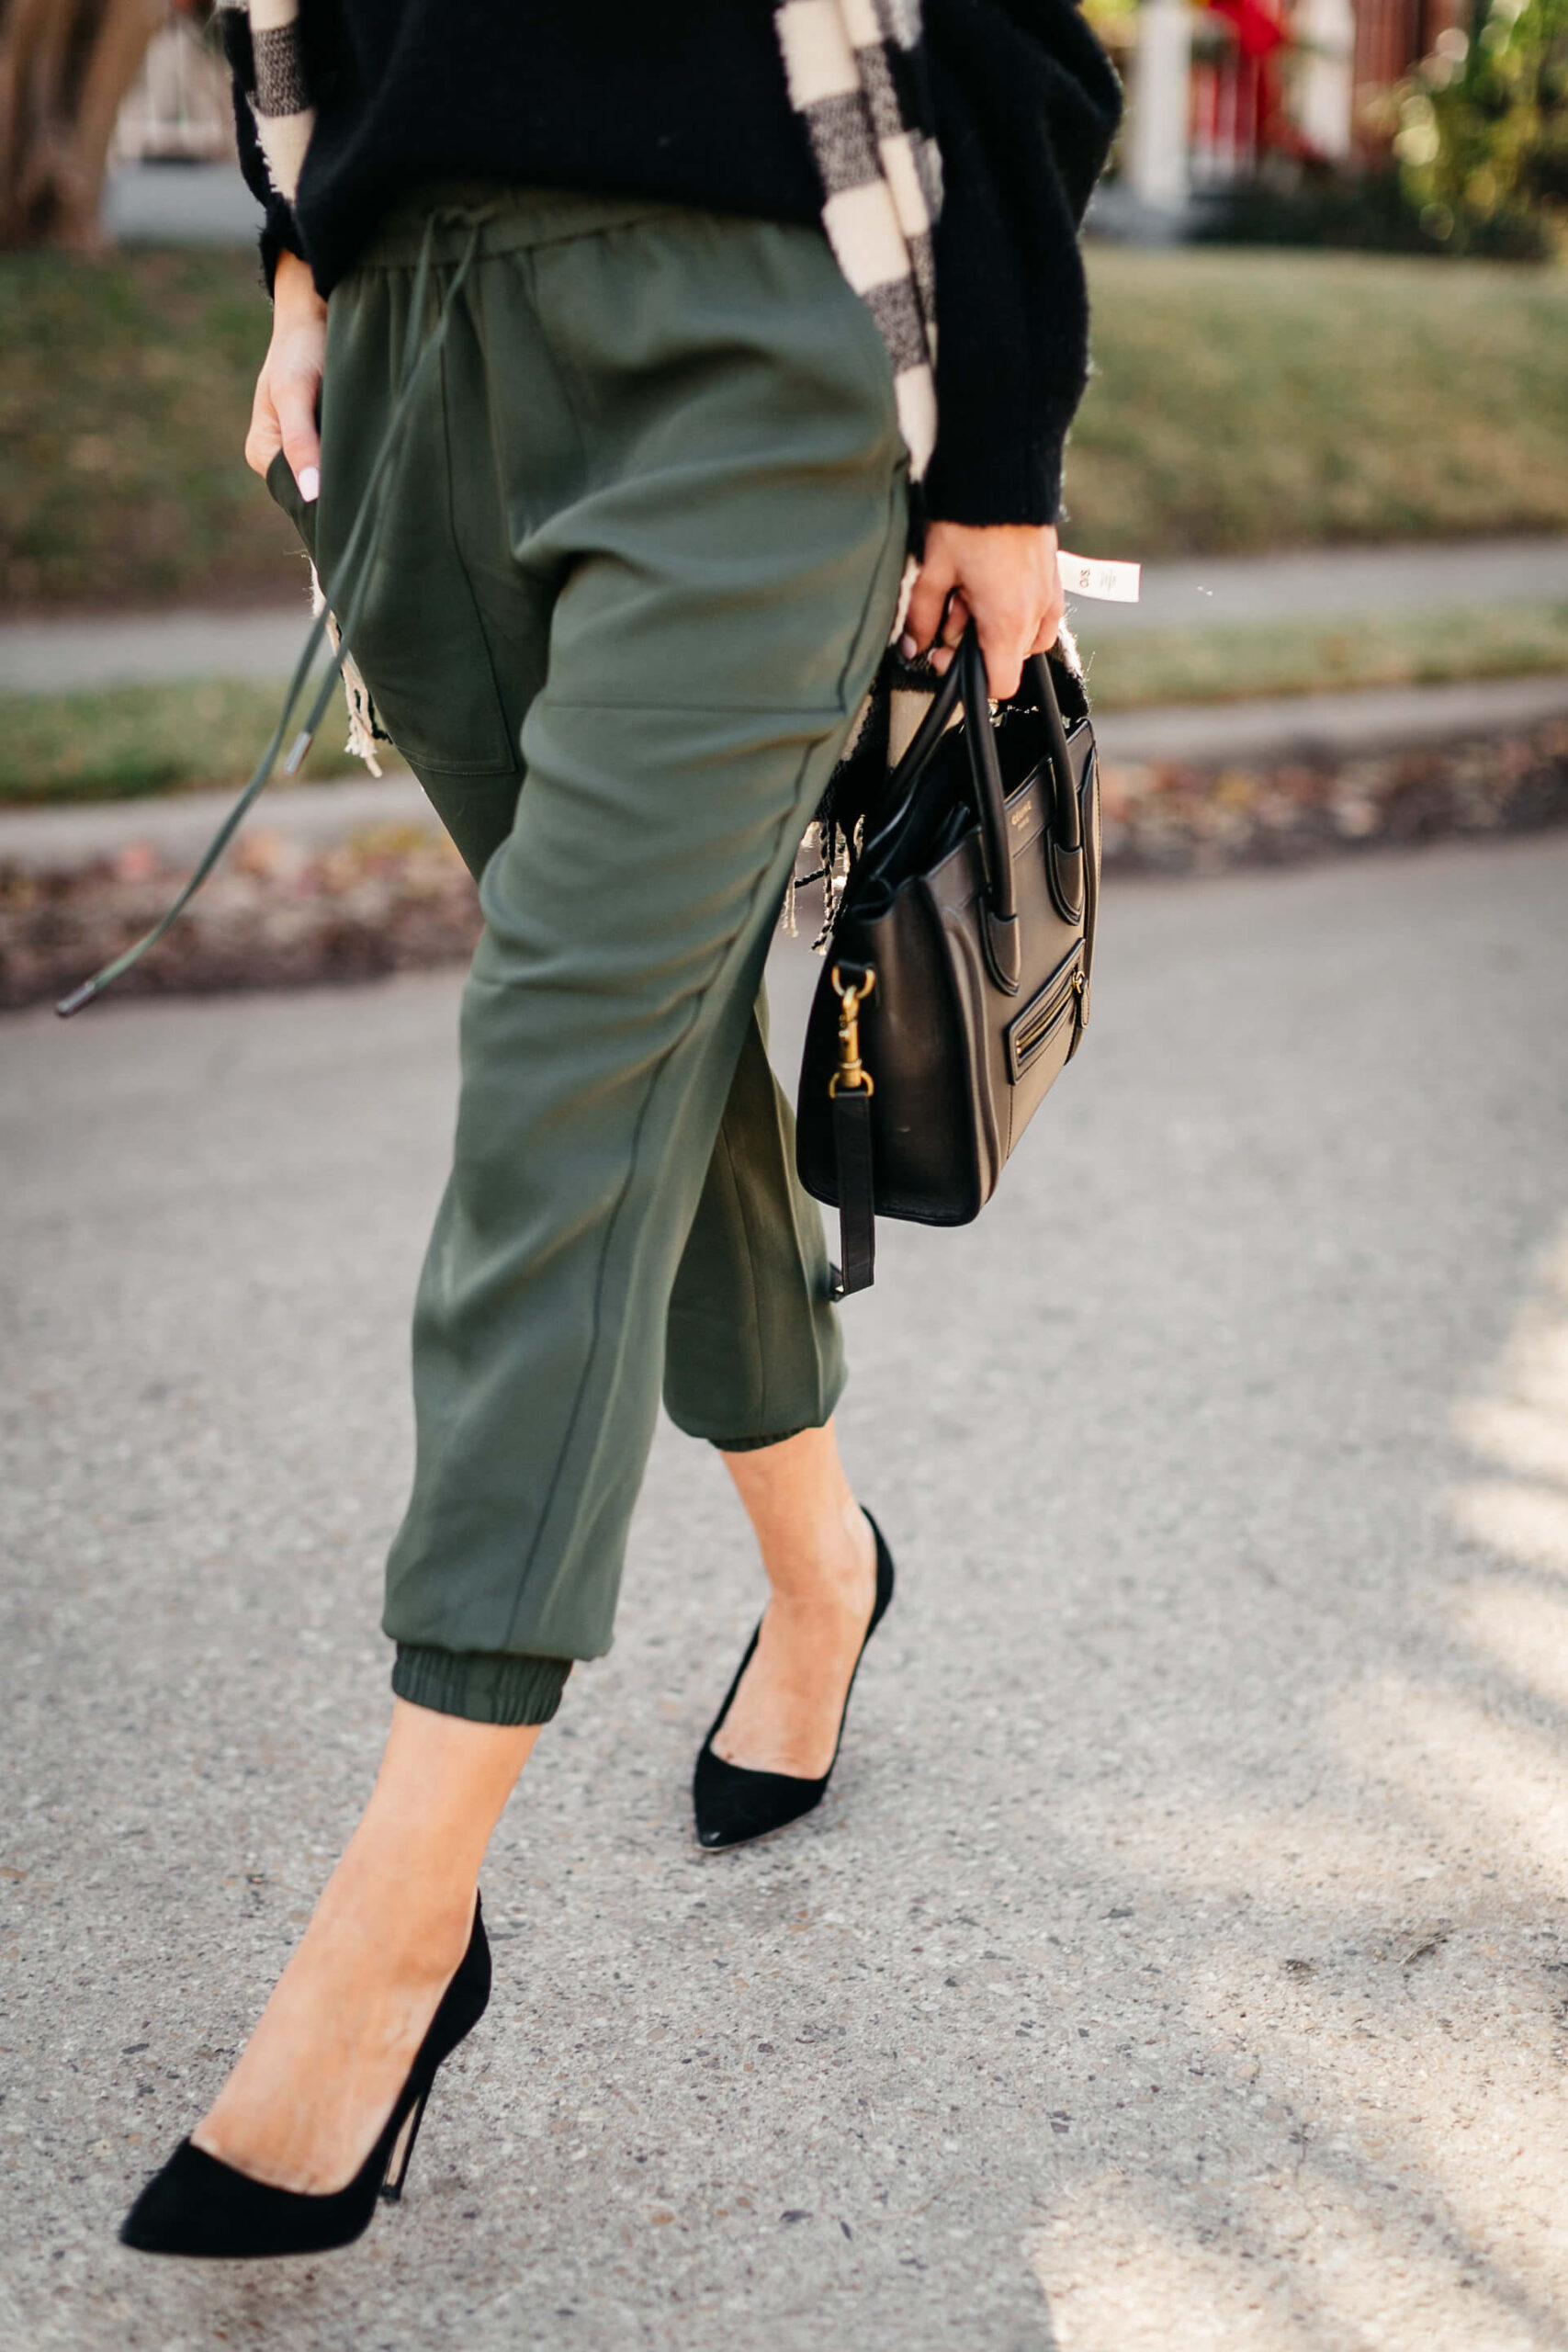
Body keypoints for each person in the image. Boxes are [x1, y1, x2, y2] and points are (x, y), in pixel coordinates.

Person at [120, 0, 1121, 2258]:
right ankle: (820, 1571)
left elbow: (1014, 31)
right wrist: (303, 251)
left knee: (556, 1075)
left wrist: (1002, 462)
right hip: (407, 358)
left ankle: (395, 1935)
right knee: (646, 1045)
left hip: (746, 337)